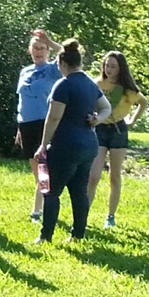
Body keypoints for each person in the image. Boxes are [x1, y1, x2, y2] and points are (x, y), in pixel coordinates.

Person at [35, 39, 112, 244]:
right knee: (79, 193)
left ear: (62, 64)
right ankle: (78, 234)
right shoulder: (89, 83)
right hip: (88, 145)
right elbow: (106, 107)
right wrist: (97, 119)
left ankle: (45, 236)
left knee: (51, 192)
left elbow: (54, 117)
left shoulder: (63, 85)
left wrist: (43, 145)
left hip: (65, 145)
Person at [87, 50, 149, 228]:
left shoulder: (127, 89)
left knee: (114, 175)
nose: (109, 69)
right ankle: (84, 212)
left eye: (113, 66)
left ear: (121, 68)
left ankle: (110, 216)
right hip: (99, 129)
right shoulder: (96, 84)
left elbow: (143, 102)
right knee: (93, 175)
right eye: (107, 65)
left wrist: (132, 120)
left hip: (118, 131)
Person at [15, 29, 63, 222]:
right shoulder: (25, 71)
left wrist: (49, 41)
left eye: (42, 48)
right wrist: (19, 128)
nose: (39, 51)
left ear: (48, 51)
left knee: (45, 169)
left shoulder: (52, 70)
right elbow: (22, 102)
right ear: (29, 50)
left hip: (45, 124)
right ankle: (45, 204)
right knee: (38, 173)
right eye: (35, 48)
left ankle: (38, 211)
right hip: (26, 125)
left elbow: (66, 53)